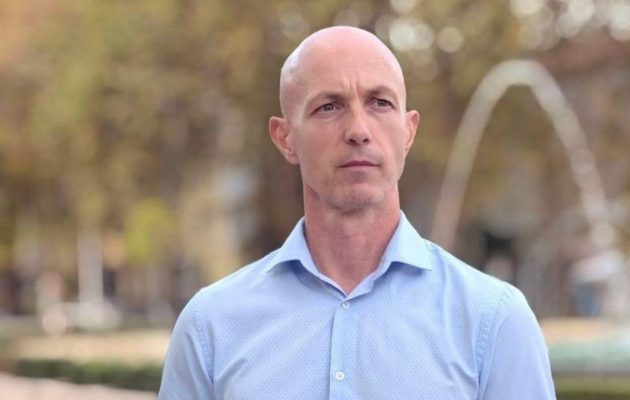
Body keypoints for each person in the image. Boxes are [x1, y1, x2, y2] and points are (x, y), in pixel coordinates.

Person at [158, 26, 556, 399]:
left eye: (380, 103)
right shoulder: (210, 327)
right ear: (285, 138)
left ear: (408, 131)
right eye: (329, 107)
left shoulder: (493, 321)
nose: (359, 130)